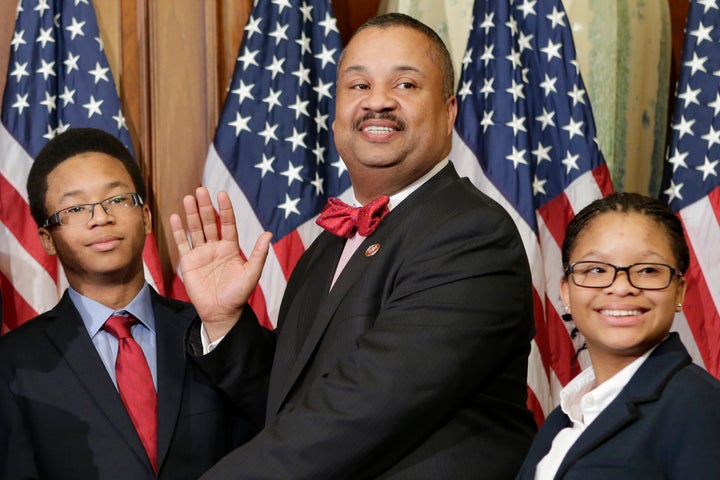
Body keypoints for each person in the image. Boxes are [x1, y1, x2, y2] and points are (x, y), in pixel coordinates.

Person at [171, 13, 537, 479]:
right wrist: (225, 323)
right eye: (358, 86)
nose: (378, 102)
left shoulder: (470, 233)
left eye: (405, 84)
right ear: (337, 109)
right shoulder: (326, 246)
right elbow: (296, 402)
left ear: (448, 112)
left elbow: (360, 407)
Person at [0, 128, 271, 479]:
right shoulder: (13, 365)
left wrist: (223, 322)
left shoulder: (210, 330)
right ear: (47, 239)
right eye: (77, 207)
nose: (101, 217)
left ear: (145, 217)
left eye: (116, 200)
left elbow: (282, 423)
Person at [516, 192, 720, 479]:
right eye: (596, 269)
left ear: (679, 291)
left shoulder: (701, 409)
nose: (622, 287)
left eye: (648, 270)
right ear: (566, 293)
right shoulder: (565, 416)